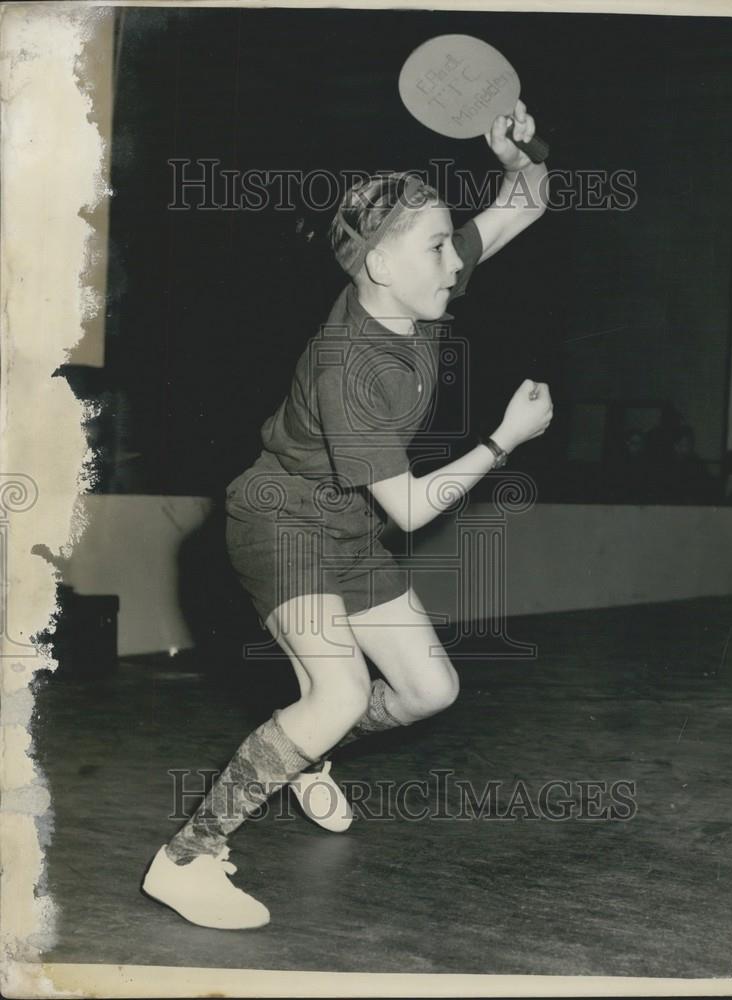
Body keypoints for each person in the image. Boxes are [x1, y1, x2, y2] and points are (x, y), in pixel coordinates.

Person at [142, 101, 554, 929]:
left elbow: (528, 202)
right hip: (280, 515)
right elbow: (406, 507)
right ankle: (185, 858)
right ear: (376, 267)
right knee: (337, 689)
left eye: (449, 242)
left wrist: (522, 151)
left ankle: (301, 750)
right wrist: (503, 442)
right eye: (437, 246)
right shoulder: (353, 367)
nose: (454, 259)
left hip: (346, 527)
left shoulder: (417, 285)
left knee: (430, 687)